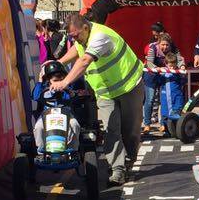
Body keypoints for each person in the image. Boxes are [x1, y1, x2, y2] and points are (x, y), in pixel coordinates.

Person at [51, 14, 144, 186]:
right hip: (106, 92)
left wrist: (65, 82)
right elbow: (77, 50)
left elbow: (85, 59)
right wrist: (59, 62)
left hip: (129, 86)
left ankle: (128, 161)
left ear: (85, 28)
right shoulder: (82, 38)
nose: (74, 40)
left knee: (130, 131)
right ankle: (118, 170)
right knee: (111, 130)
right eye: (71, 37)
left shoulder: (101, 36)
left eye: (75, 36)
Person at [142, 21, 168, 135]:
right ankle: (147, 124)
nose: (156, 37)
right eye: (155, 36)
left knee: (163, 100)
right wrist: (156, 68)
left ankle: (163, 123)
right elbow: (149, 62)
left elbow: (176, 56)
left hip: (162, 76)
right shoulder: (151, 46)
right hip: (151, 75)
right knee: (150, 99)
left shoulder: (168, 44)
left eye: (158, 35)